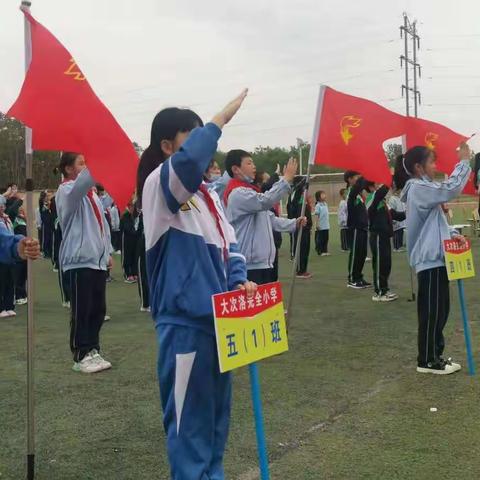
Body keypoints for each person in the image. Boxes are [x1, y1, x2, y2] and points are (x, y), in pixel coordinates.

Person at [137, 89, 256, 479]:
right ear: (167, 145)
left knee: (216, 426)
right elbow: (188, 165)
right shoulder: (160, 185)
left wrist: (239, 284)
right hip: (185, 327)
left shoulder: (210, 198)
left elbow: (231, 250)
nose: (203, 143)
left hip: (221, 325)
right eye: (191, 134)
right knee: (189, 431)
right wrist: (218, 121)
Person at [394, 143, 471, 375]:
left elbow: (436, 225)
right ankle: (427, 360)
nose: (435, 166)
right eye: (432, 162)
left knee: (440, 310)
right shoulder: (418, 188)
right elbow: (451, 188)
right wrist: (464, 162)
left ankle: (434, 355)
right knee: (432, 311)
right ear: (418, 167)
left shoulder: (423, 187)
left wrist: (453, 235)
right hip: (430, 260)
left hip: (438, 257)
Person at [56, 152, 113, 374]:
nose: (86, 166)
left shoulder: (92, 196)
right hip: (79, 260)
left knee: (98, 309)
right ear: (69, 169)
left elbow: (103, 227)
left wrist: (107, 251)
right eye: (81, 163)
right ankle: (80, 353)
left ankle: (93, 349)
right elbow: (84, 181)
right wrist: (97, 153)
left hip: (96, 260)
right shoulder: (67, 190)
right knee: (82, 309)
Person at [224, 151, 305, 285]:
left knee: (267, 304)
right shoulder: (238, 194)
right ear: (235, 169)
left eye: (253, 162)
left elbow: (271, 220)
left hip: (263, 263)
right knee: (254, 304)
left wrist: (294, 223)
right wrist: (285, 180)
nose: (253, 166)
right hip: (250, 265)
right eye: (249, 163)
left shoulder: (250, 192)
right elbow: (266, 200)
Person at [365, 182, 404, 302]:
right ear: (371, 187)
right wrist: (389, 178)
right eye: (376, 184)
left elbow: (396, 215)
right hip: (377, 236)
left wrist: (411, 211)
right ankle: (379, 292)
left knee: (386, 264)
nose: (379, 186)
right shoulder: (371, 199)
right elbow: (380, 193)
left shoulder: (383, 202)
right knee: (379, 264)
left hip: (385, 236)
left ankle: (385, 289)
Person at [345, 171, 371, 289]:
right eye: (356, 177)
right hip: (355, 227)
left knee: (362, 253)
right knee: (356, 253)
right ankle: (352, 279)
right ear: (349, 179)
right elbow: (358, 186)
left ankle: (358, 277)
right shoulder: (351, 192)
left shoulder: (359, 195)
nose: (358, 179)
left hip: (362, 227)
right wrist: (366, 172)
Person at [287, 176, 313, 279]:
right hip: (298, 226)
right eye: (304, 183)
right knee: (299, 249)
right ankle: (299, 271)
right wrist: (306, 179)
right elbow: (298, 188)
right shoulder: (294, 194)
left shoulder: (303, 195)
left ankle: (303, 270)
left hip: (306, 227)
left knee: (305, 249)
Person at [0, 196, 16, 318]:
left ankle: (9, 306)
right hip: (1, 256)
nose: (2, 208)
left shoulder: (7, 219)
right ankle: (1, 308)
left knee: (10, 281)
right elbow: (5, 235)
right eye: (0, 206)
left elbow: (11, 233)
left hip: (9, 256)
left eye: (3, 206)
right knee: (1, 282)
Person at [120, 201, 139, 283]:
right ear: (129, 206)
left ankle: (134, 273)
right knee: (126, 257)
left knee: (134, 256)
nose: (133, 208)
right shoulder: (125, 215)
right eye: (132, 206)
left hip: (134, 240)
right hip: (126, 240)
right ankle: (127, 274)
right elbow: (126, 228)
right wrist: (134, 231)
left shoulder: (134, 216)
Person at [13, 206, 28, 305]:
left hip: (25, 248)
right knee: (18, 274)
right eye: (19, 209)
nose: (21, 210)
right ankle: (18, 295)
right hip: (18, 249)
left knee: (24, 273)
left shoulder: (23, 219)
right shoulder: (15, 220)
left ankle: (23, 294)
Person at [136, 211, 150, 312]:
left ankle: (151, 301)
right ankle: (145, 304)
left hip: (150, 242)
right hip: (142, 245)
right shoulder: (141, 214)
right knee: (143, 275)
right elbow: (138, 231)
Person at [314, 190, 330, 256]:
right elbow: (317, 215)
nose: (324, 195)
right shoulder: (318, 205)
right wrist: (317, 224)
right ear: (319, 197)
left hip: (326, 225)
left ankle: (325, 251)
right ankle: (320, 251)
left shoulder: (325, 204)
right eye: (322, 194)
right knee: (320, 239)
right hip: (320, 226)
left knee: (326, 238)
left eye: (324, 194)